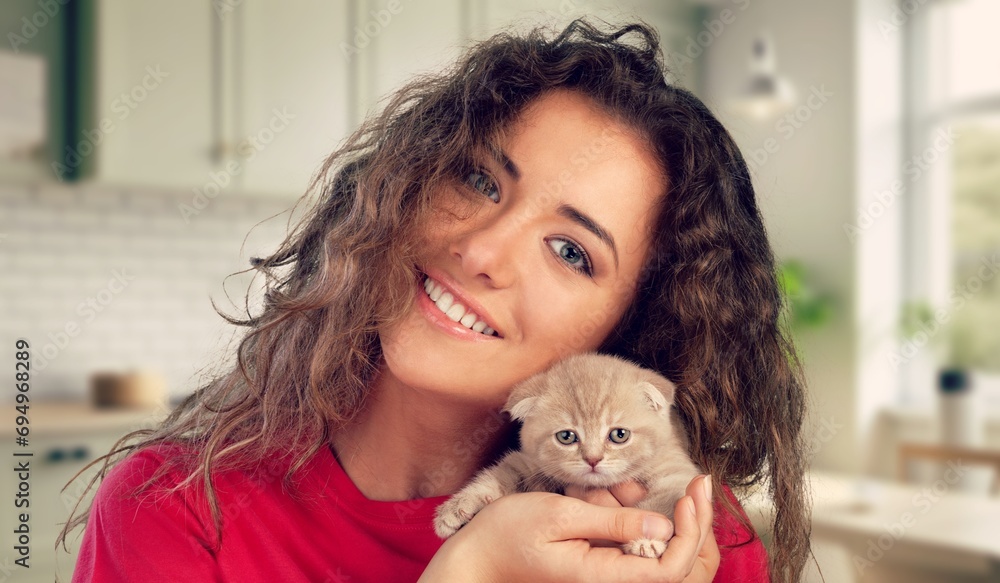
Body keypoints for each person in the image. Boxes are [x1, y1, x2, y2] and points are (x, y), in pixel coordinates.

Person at [62, 18, 810, 582]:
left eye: (572, 251)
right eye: (480, 181)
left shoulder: (687, 538)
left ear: (629, 328)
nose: (480, 251)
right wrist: (470, 568)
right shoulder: (177, 508)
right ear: (412, 180)